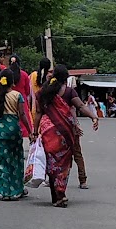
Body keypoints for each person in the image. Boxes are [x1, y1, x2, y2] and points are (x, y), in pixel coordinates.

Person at [36, 65, 84, 207]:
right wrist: (93, 117)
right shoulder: (69, 91)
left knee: (52, 164)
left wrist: (34, 130)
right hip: (65, 134)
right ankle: (60, 193)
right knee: (63, 165)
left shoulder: (43, 92)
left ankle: (56, 196)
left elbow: (38, 112)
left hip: (48, 132)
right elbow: (80, 106)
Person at [0, 90, 26, 200]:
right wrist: (30, 130)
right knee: (15, 158)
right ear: (13, 83)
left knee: (2, 158)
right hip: (13, 130)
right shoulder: (17, 95)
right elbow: (22, 114)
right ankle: (17, 189)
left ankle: (4, 190)